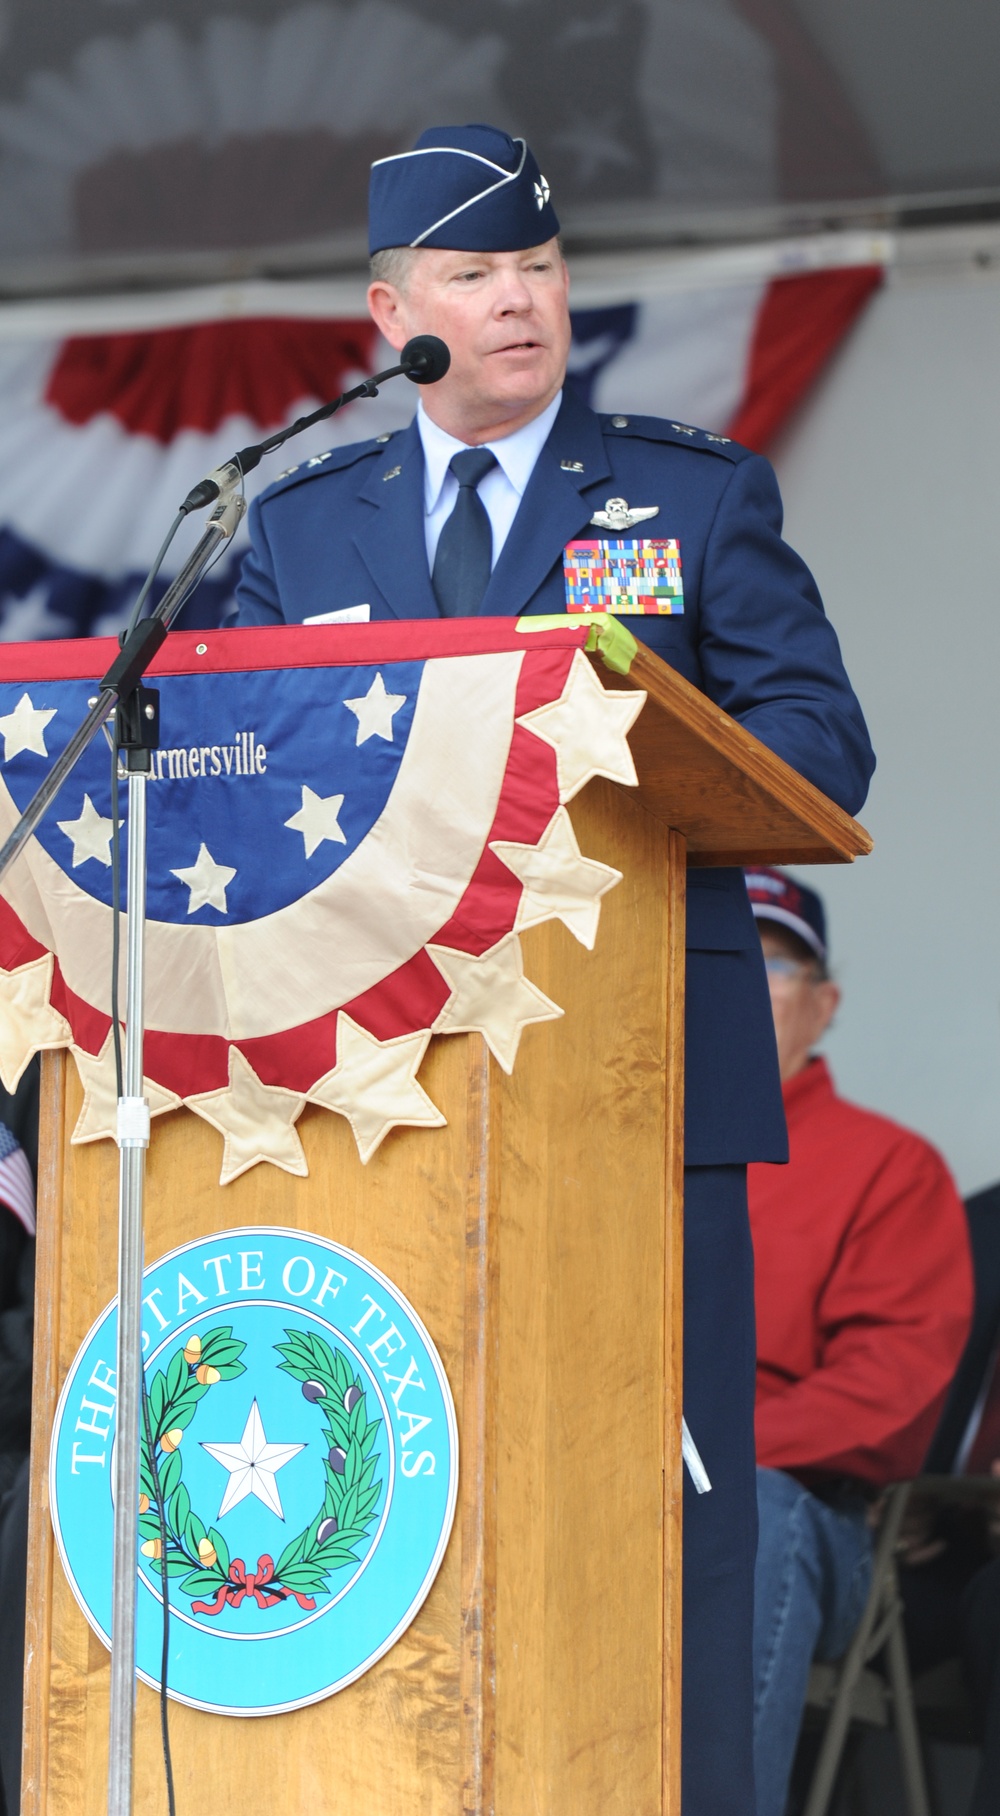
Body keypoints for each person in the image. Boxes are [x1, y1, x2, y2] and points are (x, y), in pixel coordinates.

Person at [235, 123, 876, 1814]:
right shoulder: (301, 528)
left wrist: (626, 755)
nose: (517, 301)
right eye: (473, 275)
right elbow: (236, 763)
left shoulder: (688, 492)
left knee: (663, 1507)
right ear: (395, 313)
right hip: (385, 1097)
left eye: (538, 267)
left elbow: (824, 740)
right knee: (398, 1491)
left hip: (642, 1075)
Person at [744, 867, 973, 1816]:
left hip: (796, 1516)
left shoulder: (890, 1166)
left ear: (824, 1003)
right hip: (584, 1493)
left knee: (746, 1514)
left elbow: (891, 1393)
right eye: (713, 961)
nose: (739, 989)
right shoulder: (603, 1151)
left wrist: (690, 1460)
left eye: (770, 963)